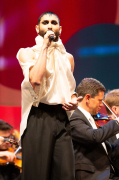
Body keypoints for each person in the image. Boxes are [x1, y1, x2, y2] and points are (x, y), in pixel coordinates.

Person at [17, 11, 81, 180]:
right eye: (45, 22)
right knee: (37, 174)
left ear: (60, 28)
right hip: (38, 116)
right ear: (37, 28)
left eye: (54, 22)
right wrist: (45, 46)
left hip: (61, 117)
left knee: (65, 174)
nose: (50, 25)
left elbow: (68, 89)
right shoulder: (27, 53)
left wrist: (73, 101)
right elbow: (36, 80)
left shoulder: (68, 58)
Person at [70, 78, 119, 180]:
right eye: (99, 100)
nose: (102, 104)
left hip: (107, 175)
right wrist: (115, 123)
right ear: (88, 98)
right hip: (91, 175)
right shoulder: (75, 117)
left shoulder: (92, 119)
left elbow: (113, 151)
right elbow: (93, 137)